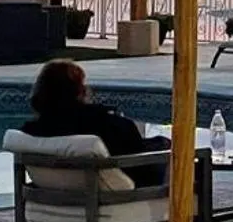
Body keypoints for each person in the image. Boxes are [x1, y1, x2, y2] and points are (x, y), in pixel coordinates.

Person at [22, 58, 170, 188]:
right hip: (120, 195)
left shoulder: (31, 132)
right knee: (179, 157)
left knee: (159, 144)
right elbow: (136, 157)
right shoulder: (104, 124)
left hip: (52, 195)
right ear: (79, 91)